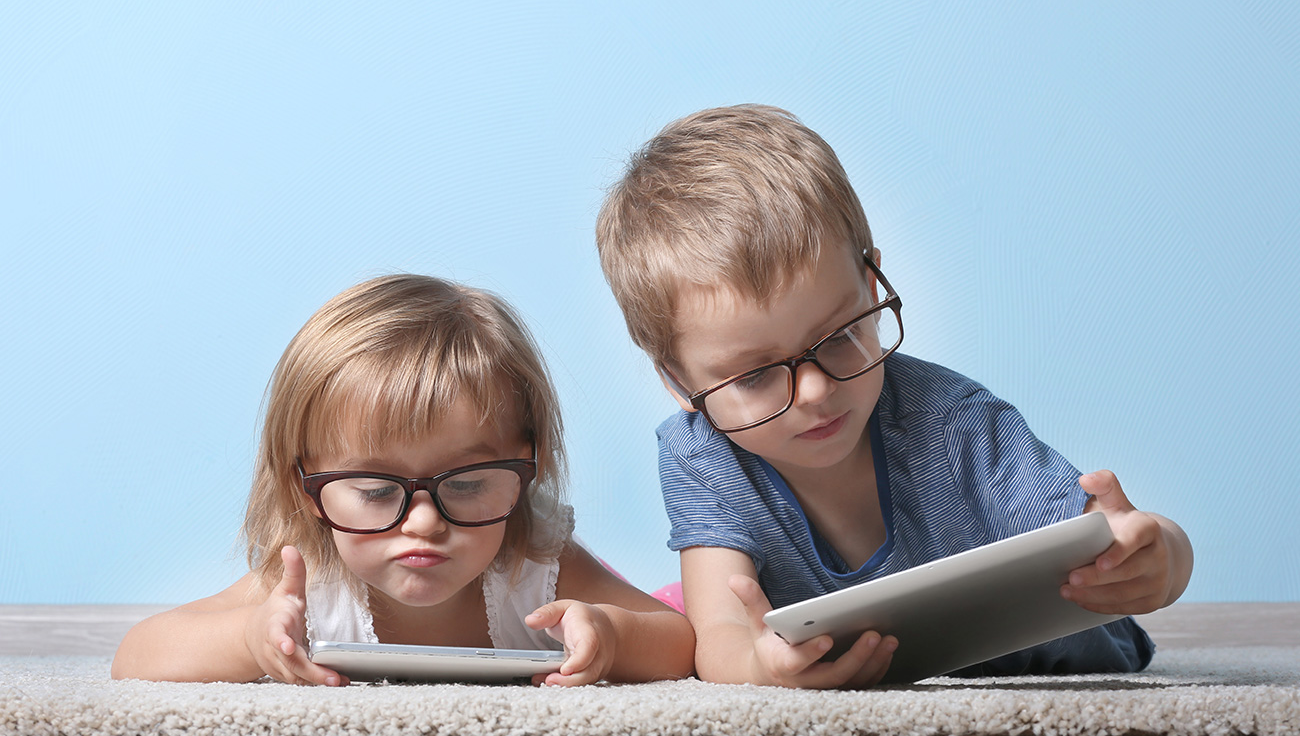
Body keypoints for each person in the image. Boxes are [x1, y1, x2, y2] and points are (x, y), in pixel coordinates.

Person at [595, 104, 1193, 688]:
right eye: (753, 377)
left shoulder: (952, 421)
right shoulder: (701, 457)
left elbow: (1104, 533)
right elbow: (721, 634)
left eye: (839, 337)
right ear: (678, 384)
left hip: (1059, 658)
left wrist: (1160, 556)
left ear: (872, 280)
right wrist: (759, 668)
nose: (816, 390)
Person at [112, 274, 694, 686]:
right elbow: (138, 653)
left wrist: (611, 635)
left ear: (526, 468)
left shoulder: (535, 567)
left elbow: (681, 642)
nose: (423, 522)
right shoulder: (311, 586)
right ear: (306, 487)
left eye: (466, 484)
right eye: (375, 490)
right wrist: (249, 640)